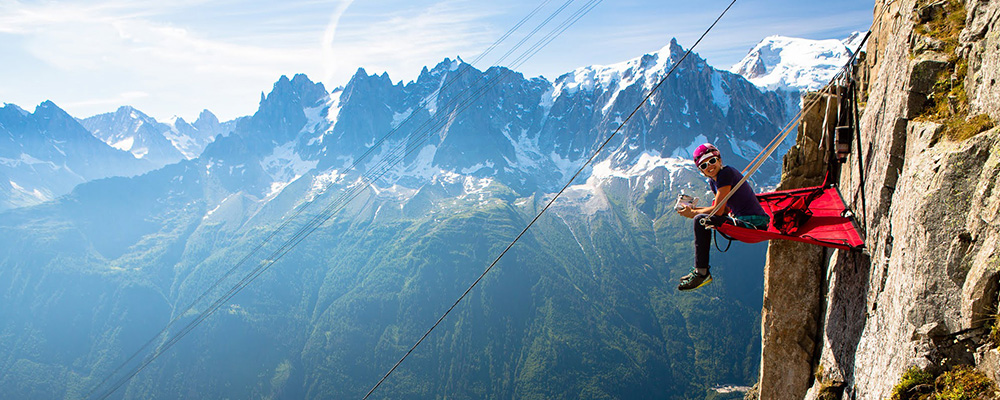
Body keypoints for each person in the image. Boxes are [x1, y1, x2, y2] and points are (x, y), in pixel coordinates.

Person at [675, 143, 770, 291]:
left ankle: (702, 273)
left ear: (719, 160)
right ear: (701, 171)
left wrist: (693, 213)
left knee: (700, 220)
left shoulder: (725, 174)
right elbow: (724, 209)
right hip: (751, 221)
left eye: (712, 161)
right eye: (704, 166)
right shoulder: (715, 180)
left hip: (753, 223)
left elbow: (718, 212)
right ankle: (701, 272)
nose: (709, 167)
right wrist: (694, 210)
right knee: (700, 218)